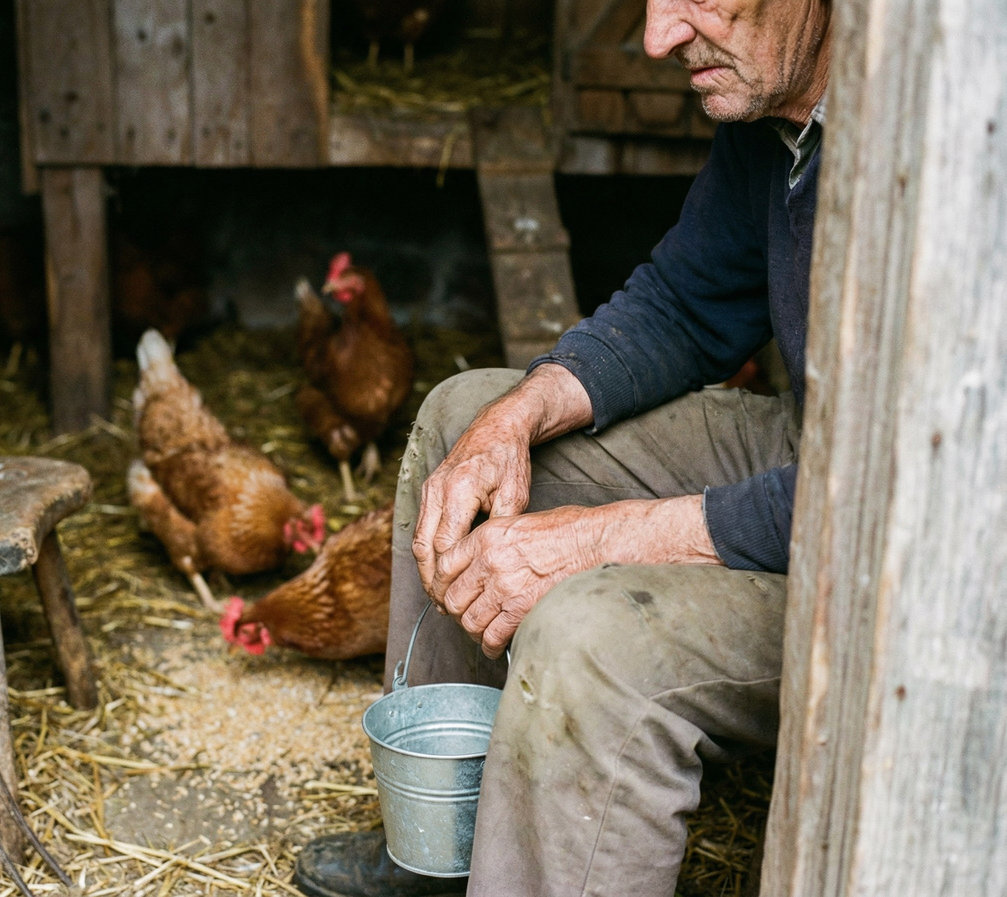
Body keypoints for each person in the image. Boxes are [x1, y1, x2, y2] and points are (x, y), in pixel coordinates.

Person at [293, 0, 832, 892]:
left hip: (903, 563)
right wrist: (519, 414)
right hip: (811, 448)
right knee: (461, 415)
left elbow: (885, 503)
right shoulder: (774, 106)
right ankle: (441, 846)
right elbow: (688, 303)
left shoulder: (941, 129)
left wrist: (596, 539)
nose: (658, 37)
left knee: (589, 633)